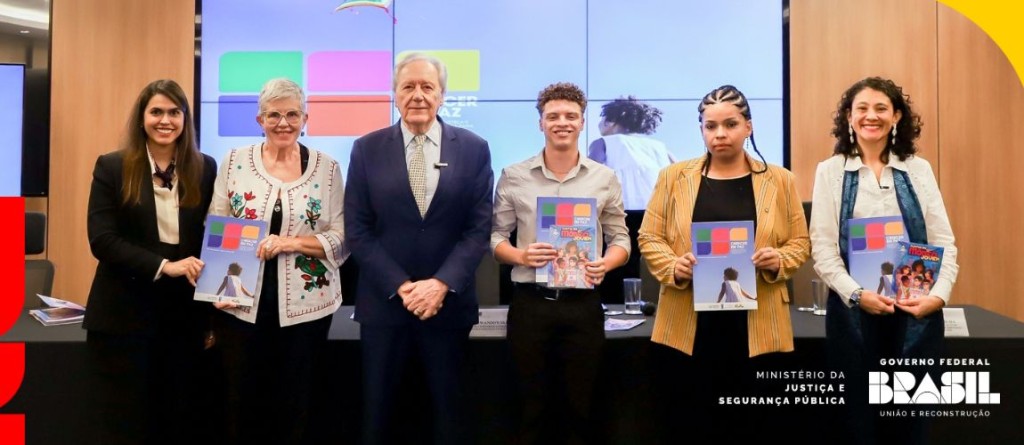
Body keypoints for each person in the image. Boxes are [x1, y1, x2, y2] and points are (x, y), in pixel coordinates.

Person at [637, 85, 810, 443]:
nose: (720, 134)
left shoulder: (780, 180)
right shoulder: (673, 177)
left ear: (748, 126)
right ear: (701, 129)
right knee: (690, 424)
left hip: (757, 323)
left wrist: (778, 259)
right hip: (689, 324)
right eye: (710, 126)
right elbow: (649, 237)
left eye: (730, 124)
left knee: (753, 425)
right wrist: (673, 266)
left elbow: (800, 243)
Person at [345, 53, 493, 445]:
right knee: (379, 419)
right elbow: (357, 230)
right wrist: (403, 286)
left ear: (442, 95)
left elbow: (478, 230)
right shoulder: (366, 148)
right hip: (384, 306)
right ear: (395, 94)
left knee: (448, 418)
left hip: (448, 308)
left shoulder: (474, 148)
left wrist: (440, 285)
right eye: (408, 86)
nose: (418, 95)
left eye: (427, 87)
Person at [809, 77, 959, 445]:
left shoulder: (918, 169)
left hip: (916, 315)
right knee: (858, 423)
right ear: (849, 117)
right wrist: (857, 295)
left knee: (911, 424)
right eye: (861, 108)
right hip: (854, 316)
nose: (870, 116)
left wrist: (937, 297)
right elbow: (823, 250)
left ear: (896, 116)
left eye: (881, 108)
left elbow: (943, 242)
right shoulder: (830, 171)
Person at [208, 78, 347, 444]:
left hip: (307, 309)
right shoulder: (234, 162)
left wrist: (290, 243)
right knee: (243, 403)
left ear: (305, 119)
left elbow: (342, 237)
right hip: (241, 308)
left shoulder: (328, 168)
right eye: (273, 115)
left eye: (292, 115)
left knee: (297, 403)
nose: (283, 123)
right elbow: (218, 225)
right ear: (260, 120)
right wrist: (221, 290)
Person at [491, 82, 630, 445]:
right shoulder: (514, 175)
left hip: (583, 306)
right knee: (529, 409)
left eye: (570, 116)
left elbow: (621, 239)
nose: (562, 123)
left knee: (580, 409)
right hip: (530, 304)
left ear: (582, 121)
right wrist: (520, 256)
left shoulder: (604, 177)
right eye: (553, 116)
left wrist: (605, 264)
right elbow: (495, 238)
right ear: (541, 123)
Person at [84, 79, 217, 445]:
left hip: (183, 315)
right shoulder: (113, 166)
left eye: (174, 112)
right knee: (126, 422)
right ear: (142, 117)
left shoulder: (204, 168)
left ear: (185, 119)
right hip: (123, 313)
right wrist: (164, 266)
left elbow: (213, 236)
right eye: (156, 111)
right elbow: (102, 240)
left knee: (178, 418)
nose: (165, 120)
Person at [587, 95, 675, 211]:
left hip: (621, 211)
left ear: (609, 122)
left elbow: (589, 173)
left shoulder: (603, 142)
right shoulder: (661, 148)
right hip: (658, 212)